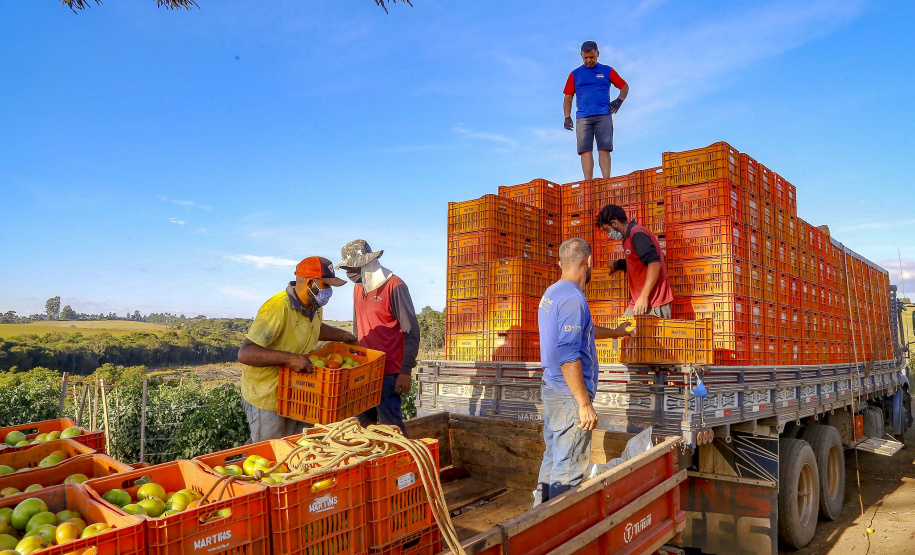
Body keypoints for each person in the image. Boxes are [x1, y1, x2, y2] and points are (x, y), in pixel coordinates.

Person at [535, 238, 633, 506]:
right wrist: (583, 403)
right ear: (588, 261)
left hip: (553, 390)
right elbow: (568, 356)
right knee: (568, 471)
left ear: (560, 263)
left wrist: (615, 332)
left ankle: (536, 522)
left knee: (554, 460)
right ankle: (560, 536)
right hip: (568, 397)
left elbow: (582, 334)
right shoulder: (572, 299)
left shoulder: (553, 293)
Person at [237, 256, 358, 443]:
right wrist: (290, 359)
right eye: (326, 285)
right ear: (310, 282)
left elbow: (314, 327)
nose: (329, 292)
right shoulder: (278, 307)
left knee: (297, 448)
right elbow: (246, 353)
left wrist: (344, 336)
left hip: (297, 393)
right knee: (269, 453)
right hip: (268, 396)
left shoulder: (314, 306)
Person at [337, 239, 420, 435]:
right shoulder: (358, 288)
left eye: (353, 268)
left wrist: (405, 371)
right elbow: (358, 329)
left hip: (389, 372)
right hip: (365, 371)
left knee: (391, 426)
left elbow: (411, 332)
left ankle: (406, 463)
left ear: (367, 264)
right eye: (347, 269)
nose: (350, 274)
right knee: (364, 427)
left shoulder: (394, 285)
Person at [563, 40, 630, 180]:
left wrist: (619, 100)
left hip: (603, 115)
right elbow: (568, 97)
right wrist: (567, 116)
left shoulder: (607, 70)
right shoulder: (575, 74)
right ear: (581, 55)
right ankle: (588, 183)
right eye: (585, 57)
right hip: (583, 118)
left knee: (604, 149)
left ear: (597, 54)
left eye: (591, 57)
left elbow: (624, 86)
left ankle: (606, 181)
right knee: (585, 150)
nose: (589, 60)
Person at [596, 204, 674, 317]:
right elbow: (636, 262)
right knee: (624, 331)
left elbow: (654, 264)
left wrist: (644, 296)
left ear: (614, 223)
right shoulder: (628, 238)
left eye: (607, 230)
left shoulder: (637, 234)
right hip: (638, 302)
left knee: (635, 332)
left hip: (653, 303)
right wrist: (616, 264)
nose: (608, 234)